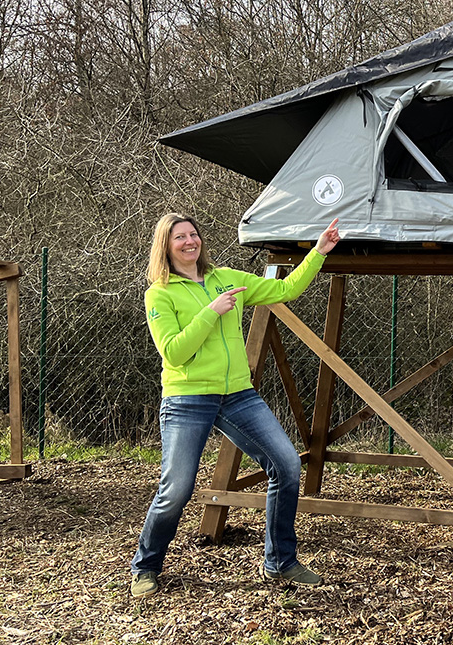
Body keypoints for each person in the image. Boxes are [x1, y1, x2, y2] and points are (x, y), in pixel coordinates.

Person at [130, 213, 342, 598]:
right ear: (166, 245)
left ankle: (280, 562)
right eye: (180, 237)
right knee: (176, 490)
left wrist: (318, 251)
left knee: (287, 465)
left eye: (194, 234)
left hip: (238, 394)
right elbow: (175, 353)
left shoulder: (227, 277)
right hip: (187, 398)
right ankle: (146, 567)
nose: (190, 241)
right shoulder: (159, 294)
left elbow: (286, 290)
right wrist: (211, 312)